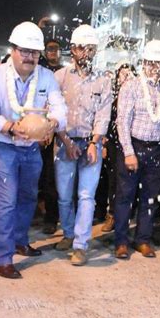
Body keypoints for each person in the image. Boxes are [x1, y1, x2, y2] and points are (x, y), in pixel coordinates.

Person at [0, 22, 66, 279]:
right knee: (7, 199)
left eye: (34, 52)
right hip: (2, 143)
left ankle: (19, 240)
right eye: (24, 51)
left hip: (30, 147)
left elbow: (59, 107)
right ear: (13, 50)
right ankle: (2, 258)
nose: (29, 57)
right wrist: (9, 127)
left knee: (29, 196)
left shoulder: (46, 77)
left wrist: (52, 123)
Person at [54, 25, 112, 266]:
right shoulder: (60, 77)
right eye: (82, 48)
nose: (87, 53)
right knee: (65, 195)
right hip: (64, 143)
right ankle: (68, 232)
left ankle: (80, 244)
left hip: (90, 143)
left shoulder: (103, 80)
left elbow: (103, 114)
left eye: (91, 49)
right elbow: (54, 112)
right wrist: (66, 141)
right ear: (73, 50)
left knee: (86, 195)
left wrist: (94, 142)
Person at [115, 40, 160, 260]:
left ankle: (143, 239)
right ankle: (121, 241)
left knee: (150, 197)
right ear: (144, 63)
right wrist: (129, 152)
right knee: (125, 196)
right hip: (134, 145)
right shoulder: (131, 86)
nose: (155, 67)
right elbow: (122, 121)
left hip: (158, 149)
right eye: (151, 63)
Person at [96, 63, 134, 232]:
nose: (125, 77)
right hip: (112, 143)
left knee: (128, 181)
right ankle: (111, 215)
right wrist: (103, 142)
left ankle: (127, 215)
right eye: (122, 74)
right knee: (113, 181)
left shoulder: (136, 93)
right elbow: (104, 118)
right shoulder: (111, 95)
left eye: (129, 74)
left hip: (131, 144)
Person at [38, 38, 64, 234]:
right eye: (49, 49)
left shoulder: (64, 72)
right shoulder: (39, 70)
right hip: (37, 129)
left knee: (51, 177)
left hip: (59, 131)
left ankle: (52, 217)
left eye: (56, 49)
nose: (52, 52)